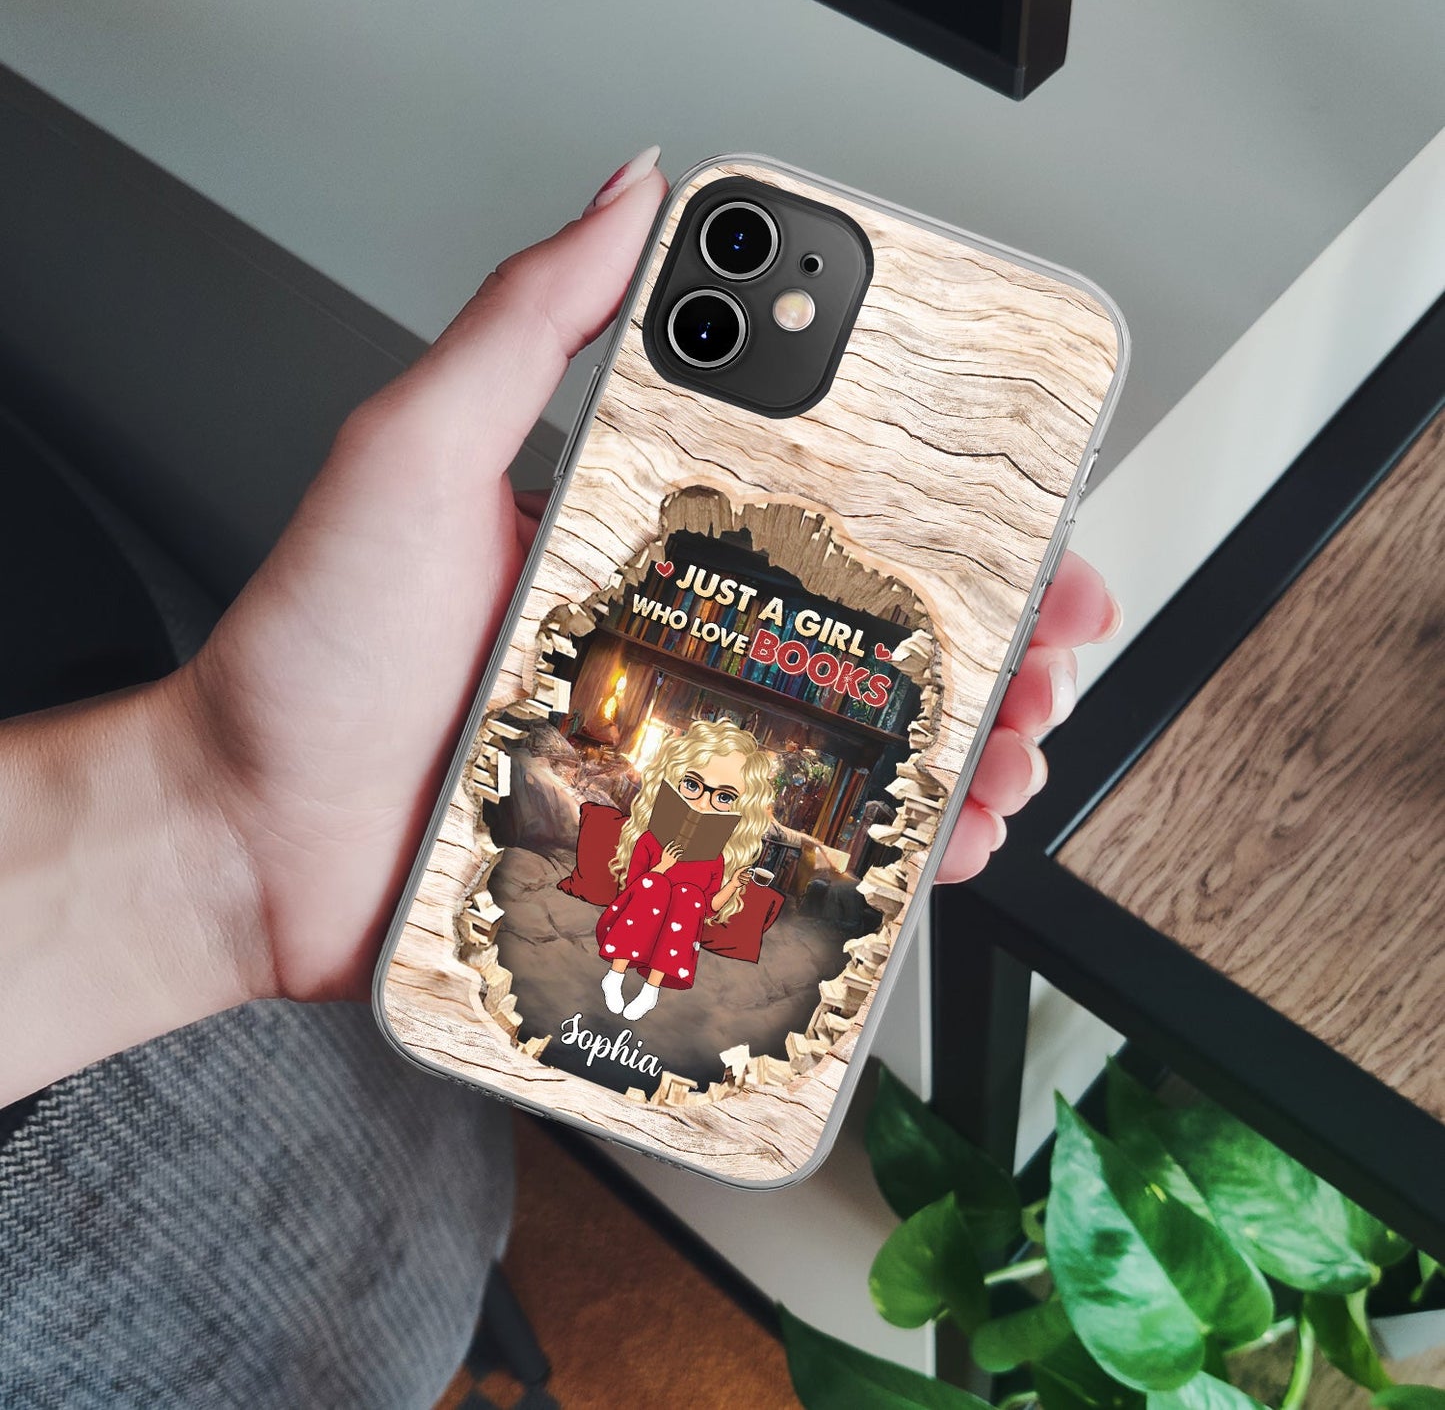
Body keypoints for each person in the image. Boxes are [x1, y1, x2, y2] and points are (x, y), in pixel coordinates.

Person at [0, 147, 1121, 1402]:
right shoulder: (657, 799)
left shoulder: (716, 830)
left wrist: (220, 812)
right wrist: (219, 813)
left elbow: (708, 853)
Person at [598, 718, 774, 1019]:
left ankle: (651, 990)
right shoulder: (650, 841)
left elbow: (707, 909)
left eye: (723, 797)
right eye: (692, 785)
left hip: (672, 933)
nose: (703, 804)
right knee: (656, 885)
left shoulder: (715, 860)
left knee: (689, 896)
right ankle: (615, 976)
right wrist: (662, 867)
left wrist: (733, 884)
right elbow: (632, 889)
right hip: (635, 918)